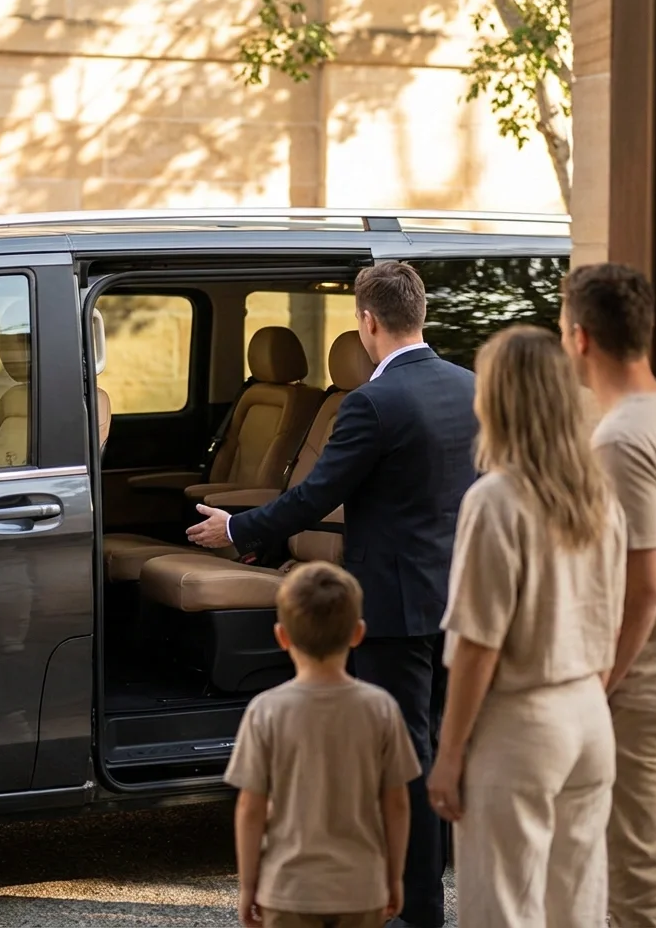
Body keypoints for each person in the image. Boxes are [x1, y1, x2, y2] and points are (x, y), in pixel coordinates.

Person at [190, 262, 477, 928]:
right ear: (421, 314)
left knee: (409, 762)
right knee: (438, 752)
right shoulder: (467, 386)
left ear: (367, 321)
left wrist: (234, 528)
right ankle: (430, 901)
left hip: (396, 609)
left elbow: (318, 494)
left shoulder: (372, 403)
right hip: (457, 602)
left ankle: (420, 914)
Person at [427, 325, 626, 927]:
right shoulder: (600, 497)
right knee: (578, 909)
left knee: (503, 911)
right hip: (589, 718)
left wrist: (450, 753)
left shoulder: (496, 501)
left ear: (500, 401)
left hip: (520, 727)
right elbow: (612, 624)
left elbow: (479, 645)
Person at [562, 262, 656, 927]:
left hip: (643, 693)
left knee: (636, 889)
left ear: (581, 338)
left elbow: (643, 585)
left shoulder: (620, 439)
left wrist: (600, 684)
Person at [225, 561, 421, 928]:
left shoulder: (265, 710)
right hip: (361, 887)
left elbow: (251, 807)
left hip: (288, 887)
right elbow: (397, 801)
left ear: (282, 637)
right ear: (358, 633)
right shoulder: (381, 708)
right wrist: (394, 877)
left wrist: (248, 886)